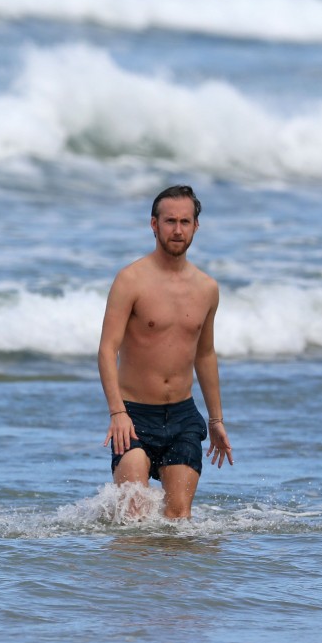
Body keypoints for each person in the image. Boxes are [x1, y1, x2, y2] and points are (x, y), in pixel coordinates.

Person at [98, 185, 233, 519]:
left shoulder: (207, 289)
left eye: (185, 221)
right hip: (134, 416)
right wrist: (117, 413)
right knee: (133, 516)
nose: (177, 229)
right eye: (169, 220)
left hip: (183, 417)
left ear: (196, 226)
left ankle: (172, 575)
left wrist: (216, 420)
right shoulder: (130, 280)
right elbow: (106, 349)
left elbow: (205, 354)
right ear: (154, 225)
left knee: (179, 519)